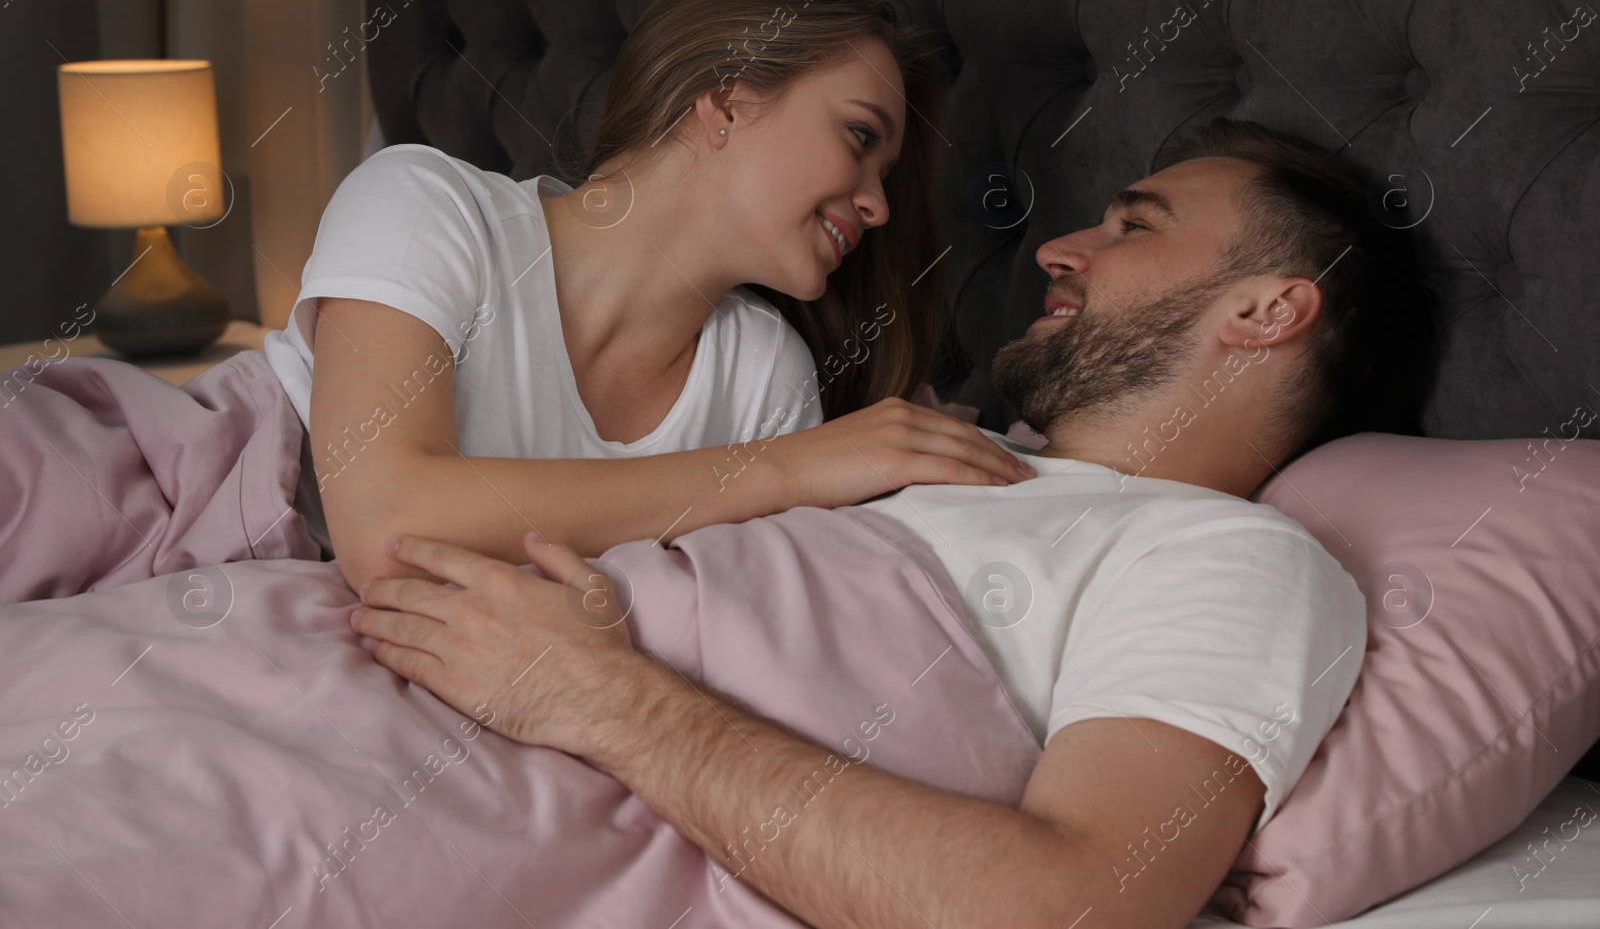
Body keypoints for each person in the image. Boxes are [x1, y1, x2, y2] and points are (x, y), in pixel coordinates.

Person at [349, 117, 1441, 929]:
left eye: (1131, 225)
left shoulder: (1235, 557)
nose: (1058, 248)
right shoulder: (906, 452)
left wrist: (608, 699)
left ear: (1265, 309)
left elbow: (1063, 906)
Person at [261, 0, 1033, 595]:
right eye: (860, 135)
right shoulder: (426, 205)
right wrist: (781, 470)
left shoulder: (764, 377)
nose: (879, 207)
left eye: (886, 176)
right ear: (725, 101)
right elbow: (386, 528)